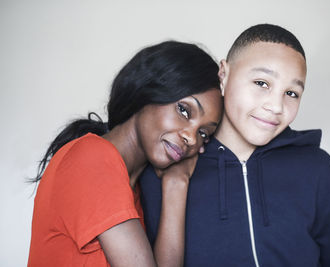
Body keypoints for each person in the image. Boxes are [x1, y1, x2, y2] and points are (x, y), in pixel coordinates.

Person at [139, 24, 330, 266]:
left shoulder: (320, 171)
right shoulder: (165, 168)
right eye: (261, 83)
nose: (276, 106)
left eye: (291, 93)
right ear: (223, 75)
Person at [27, 41, 223, 267]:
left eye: (204, 133)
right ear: (148, 91)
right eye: (184, 110)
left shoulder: (131, 189)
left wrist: (176, 183)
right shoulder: (92, 157)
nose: (191, 137)